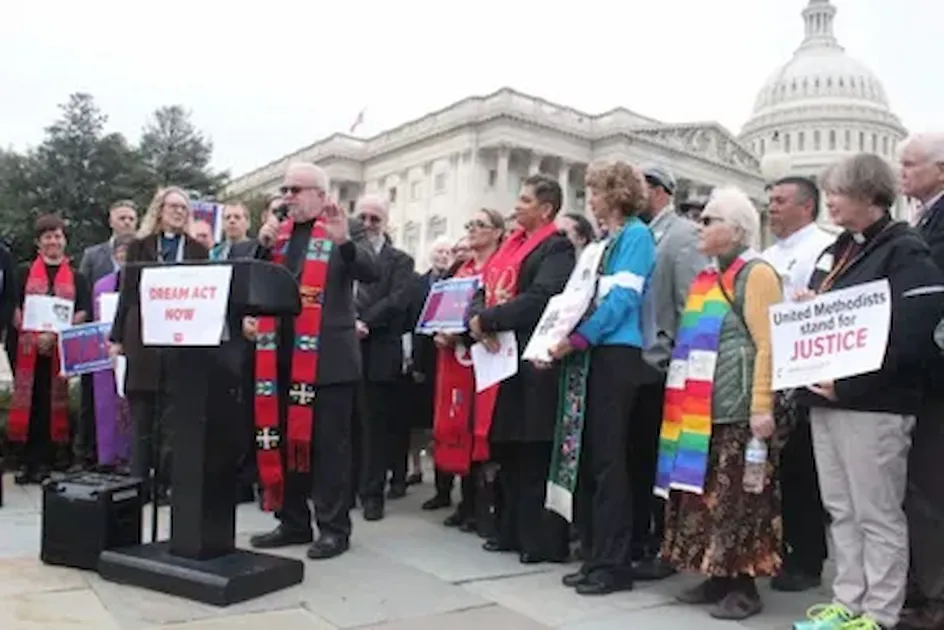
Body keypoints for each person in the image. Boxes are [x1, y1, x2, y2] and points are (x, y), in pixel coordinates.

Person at [793, 153, 944, 630]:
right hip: (825, 397)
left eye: (836, 191)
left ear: (866, 192)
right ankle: (847, 600)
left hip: (874, 401)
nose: (829, 202)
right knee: (841, 508)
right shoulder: (841, 249)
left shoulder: (905, 249)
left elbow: (911, 329)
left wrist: (851, 382)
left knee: (876, 512)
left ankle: (879, 611)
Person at [656, 187, 783, 621]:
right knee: (704, 496)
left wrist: (762, 405)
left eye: (710, 220)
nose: (700, 226)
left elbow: (768, 344)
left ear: (736, 229)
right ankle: (717, 574)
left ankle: (744, 584)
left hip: (739, 407)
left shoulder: (757, 274)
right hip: (701, 409)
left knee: (739, 500)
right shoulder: (707, 277)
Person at [248, 162, 378, 560]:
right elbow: (252, 282)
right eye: (285, 190)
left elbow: (371, 272)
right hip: (280, 359)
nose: (288, 197)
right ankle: (292, 521)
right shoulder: (279, 235)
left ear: (321, 196)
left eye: (297, 190)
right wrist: (262, 246)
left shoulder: (344, 226)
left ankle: (334, 528)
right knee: (283, 442)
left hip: (329, 362)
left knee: (328, 449)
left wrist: (345, 244)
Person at [548, 162, 655, 595]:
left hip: (614, 353)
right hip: (589, 353)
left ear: (616, 194)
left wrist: (578, 338)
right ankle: (593, 553)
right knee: (590, 457)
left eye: (595, 192)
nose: (589, 200)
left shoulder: (636, 237)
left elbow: (623, 300)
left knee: (611, 460)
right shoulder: (602, 243)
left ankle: (614, 563)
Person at [468, 173, 576, 564]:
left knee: (533, 453)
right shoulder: (510, 246)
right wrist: (478, 319)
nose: (516, 206)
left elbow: (541, 298)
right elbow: (479, 290)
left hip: (535, 364)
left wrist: (490, 320)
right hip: (503, 364)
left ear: (545, 209)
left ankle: (539, 539)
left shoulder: (556, 248)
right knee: (508, 451)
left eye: (525, 200)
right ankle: (509, 529)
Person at [109, 187, 209, 502]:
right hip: (144, 340)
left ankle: (166, 483)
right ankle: (139, 483)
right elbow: (127, 294)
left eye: (184, 208)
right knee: (142, 416)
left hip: (182, 342)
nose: (179, 212)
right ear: (159, 210)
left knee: (172, 420)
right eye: (173, 207)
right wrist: (117, 338)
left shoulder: (197, 250)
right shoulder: (140, 247)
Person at [633, 165, 707, 579]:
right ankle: (643, 538)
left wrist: (680, 364)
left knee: (658, 462)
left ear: (659, 191)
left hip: (664, 366)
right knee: (640, 460)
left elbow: (689, 306)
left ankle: (665, 544)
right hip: (636, 364)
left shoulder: (682, 235)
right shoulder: (641, 234)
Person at [762, 176, 835, 593]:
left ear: (806, 207)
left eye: (780, 200)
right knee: (775, 472)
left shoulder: (822, 248)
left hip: (805, 374)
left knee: (801, 470)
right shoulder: (767, 255)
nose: (771, 207)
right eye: (769, 200)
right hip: (771, 370)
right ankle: (781, 549)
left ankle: (806, 558)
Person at [426, 209, 505, 531]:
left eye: (480, 225)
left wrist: (460, 332)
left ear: (498, 232)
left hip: (485, 357)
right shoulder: (461, 269)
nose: (472, 230)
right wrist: (439, 330)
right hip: (455, 359)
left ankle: (483, 505)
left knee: (480, 429)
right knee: (458, 424)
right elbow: (442, 308)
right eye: (469, 224)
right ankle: (465, 500)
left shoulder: (500, 268)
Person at [897, 132, 944, 630]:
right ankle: (919, 586)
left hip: (936, 375)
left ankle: (936, 599)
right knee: (915, 489)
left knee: (931, 489)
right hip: (918, 377)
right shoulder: (920, 219)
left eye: (911, 164)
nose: (902, 172)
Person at [8, 214, 91, 484]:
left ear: (64, 241)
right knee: (29, 403)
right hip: (27, 349)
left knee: (48, 403)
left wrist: (56, 335)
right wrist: (33, 333)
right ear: (38, 242)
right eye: (47, 237)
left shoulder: (77, 278)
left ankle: (46, 461)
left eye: (57, 236)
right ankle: (26, 462)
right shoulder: (22, 273)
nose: (53, 241)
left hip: (59, 351)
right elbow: (15, 307)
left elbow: (82, 311)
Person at [352, 194, 415, 517]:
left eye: (374, 219)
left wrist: (365, 322)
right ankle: (346, 489)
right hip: (345, 349)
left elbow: (399, 299)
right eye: (362, 217)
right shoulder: (343, 254)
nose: (366, 225)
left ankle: (373, 493)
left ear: (385, 222)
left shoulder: (400, 261)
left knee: (375, 427)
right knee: (345, 425)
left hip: (379, 349)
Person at [75, 199, 138, 470]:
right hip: (99, 342)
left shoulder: (147, 257)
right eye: (121, 218)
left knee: (130, 401)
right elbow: (83, 297)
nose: (126, 222)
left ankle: (131, 456)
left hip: (133, 345)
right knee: (95, 401)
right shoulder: (93, 256)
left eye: (131, 218)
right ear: (111, 221)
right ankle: (91, 455)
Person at [92, 233, 136, 470]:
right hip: (107, 351)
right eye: (120, 251)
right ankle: (108, 457)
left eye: (129, 251)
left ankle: (131, 456)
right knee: (107, 404)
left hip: (135, 351)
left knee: (130, 404)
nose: (124, 255)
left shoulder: (142, 280)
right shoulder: (101, 285)